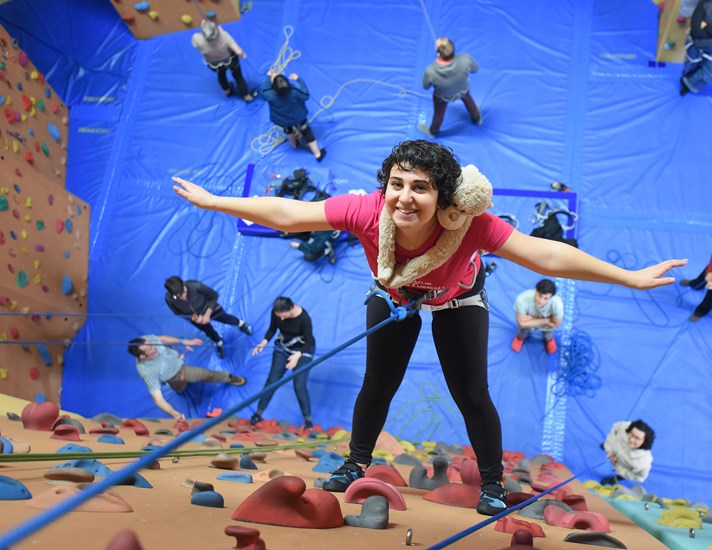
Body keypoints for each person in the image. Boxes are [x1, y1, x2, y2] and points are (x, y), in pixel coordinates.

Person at [172, 140, 685, 516]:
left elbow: (545, 254)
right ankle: (355, 463)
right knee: (378, 384)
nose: (404, 197)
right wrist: (218, 202)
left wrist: (628, 278)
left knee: (471, 394)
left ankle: (492, 484)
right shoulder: (365, 211)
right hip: (393, 293)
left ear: (444, 197)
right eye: (397, 184)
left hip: (457, 297)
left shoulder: (470, 223)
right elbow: (290, 214)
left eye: (420, 187)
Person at [127, 335, 246, 420]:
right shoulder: (147, 371)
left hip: (181, 367)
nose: (155, 346)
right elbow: (158, 399)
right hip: (174, 377)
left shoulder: (146, 341)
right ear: (143, 357)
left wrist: (183, 341)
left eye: (152, 344)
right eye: (150, 348)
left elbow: (161, 339)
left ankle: (228, 378)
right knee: (180, 388)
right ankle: (175, 384)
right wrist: (174, 413)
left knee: (207, 374)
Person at [249, 297, 315, 428]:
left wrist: (297, 356)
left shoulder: (304, 318)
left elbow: (309, 342)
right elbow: (272, 329)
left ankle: (308, 420)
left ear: (291, 308)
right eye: (279, 316)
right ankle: (258, 413)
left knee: (299, 386)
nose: (282, 319)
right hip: (283, 349)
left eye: (283, 315)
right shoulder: (277, 312)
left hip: (303, 351)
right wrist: (263, 343)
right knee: (272, 381)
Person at [164, 276, 254, 358]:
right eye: (178, 296)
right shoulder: (170, 299)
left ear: (184, 284)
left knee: (226, 318)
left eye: (183, 292)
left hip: (210, 309)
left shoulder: (195, 286)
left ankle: (241, 324)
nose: (183, 297)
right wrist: (194, 318)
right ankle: (219, 342)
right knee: (208, 331)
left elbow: (214, 295)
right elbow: (178, 313)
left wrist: (207, 314)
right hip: (196, 318)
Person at [417, 37, 482, 138]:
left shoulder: (430, 71)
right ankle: (476, 118)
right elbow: (475, 69)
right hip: (463, 90)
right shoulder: (465, 59)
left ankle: (433, 131)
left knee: (439, 113)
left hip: (443, 97)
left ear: (438, 53)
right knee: (469, 101)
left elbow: (425, 86)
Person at [261, 72, 326, 162]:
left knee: (288, 130)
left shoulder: (270, 95)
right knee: (307, 132)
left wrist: (269, 77)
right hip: (298, 117)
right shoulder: (294, 92)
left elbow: (264, 90)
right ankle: (317, 154)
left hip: (282, 120)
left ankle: (294, 144)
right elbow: (305, 95)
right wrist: (299, 79)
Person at [191, 19, 253, 102]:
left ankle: (227, 91)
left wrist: (203, 27)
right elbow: (239, 52)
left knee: (221, 75)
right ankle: (247, 96)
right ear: (216, 30)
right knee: (238, 77)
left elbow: (200, 43)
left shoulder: (196, 38)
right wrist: (243, 55)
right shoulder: (224, 35)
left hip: (213, 64)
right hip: (230, 61)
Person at [512, 279, 563, 354]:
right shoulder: (522, 299)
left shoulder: (557, 305)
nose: (541, 301)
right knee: (523, 331)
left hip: (540, 324)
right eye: (540, 295)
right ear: (535, 290)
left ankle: (549, 339)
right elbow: (521, 324)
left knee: (548, 334)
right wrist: (546, 320)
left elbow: (557, 324)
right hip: (546, 322)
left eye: (546, 298)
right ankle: (520, 338)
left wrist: (531, 317)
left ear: (551, 297)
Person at [600, 419, 655, 485]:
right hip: (616, 450)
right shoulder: (625, 427)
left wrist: (617, 466)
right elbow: (615, 429)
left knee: (622, 476)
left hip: (623, 466)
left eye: (637, 438)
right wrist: (609, 448)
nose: (631, 440)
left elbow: (639, 477)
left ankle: (615, 479)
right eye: (631, 434)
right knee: (608, 445)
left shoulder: (643, 464)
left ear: (645, 442)